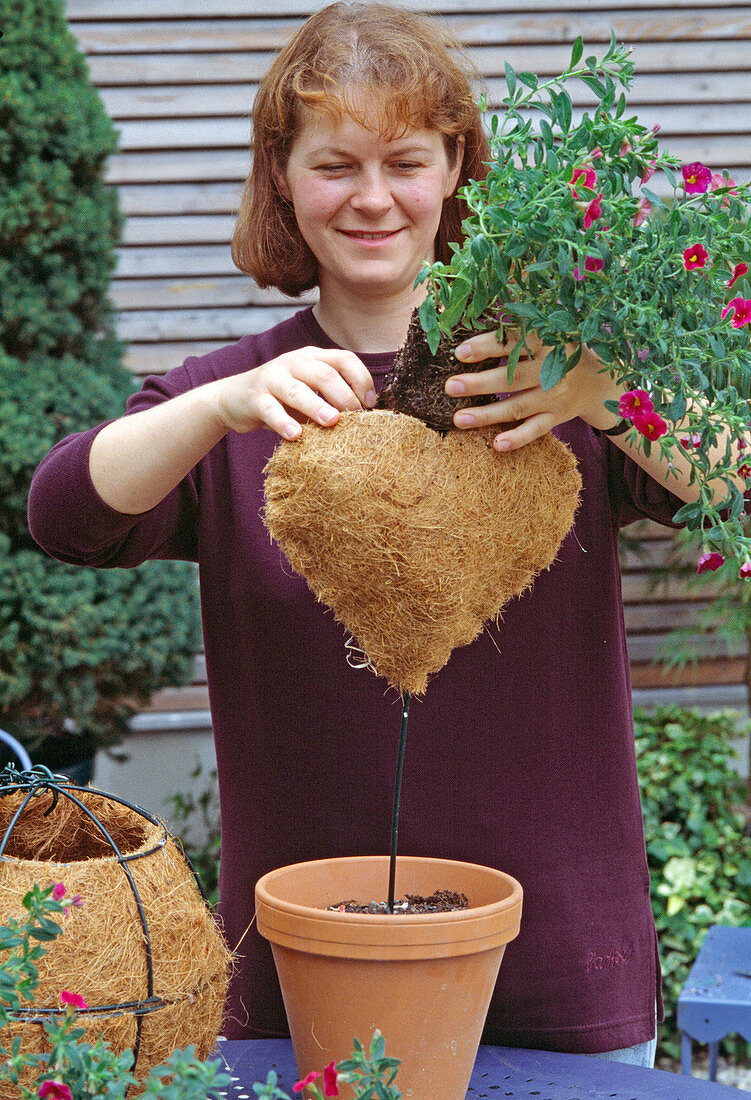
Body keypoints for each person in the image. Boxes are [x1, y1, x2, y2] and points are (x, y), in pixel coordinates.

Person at [26, 1, 741, 1067]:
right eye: (334, 163)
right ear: (281, 174)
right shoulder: (243, 400)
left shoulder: (543, 379)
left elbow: (733, 476)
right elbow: (64, 512)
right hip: (307, 970)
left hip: (561, 961)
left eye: (405, 160)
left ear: (456, 167)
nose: (371, 198)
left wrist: (608, 391)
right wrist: (219, 407)